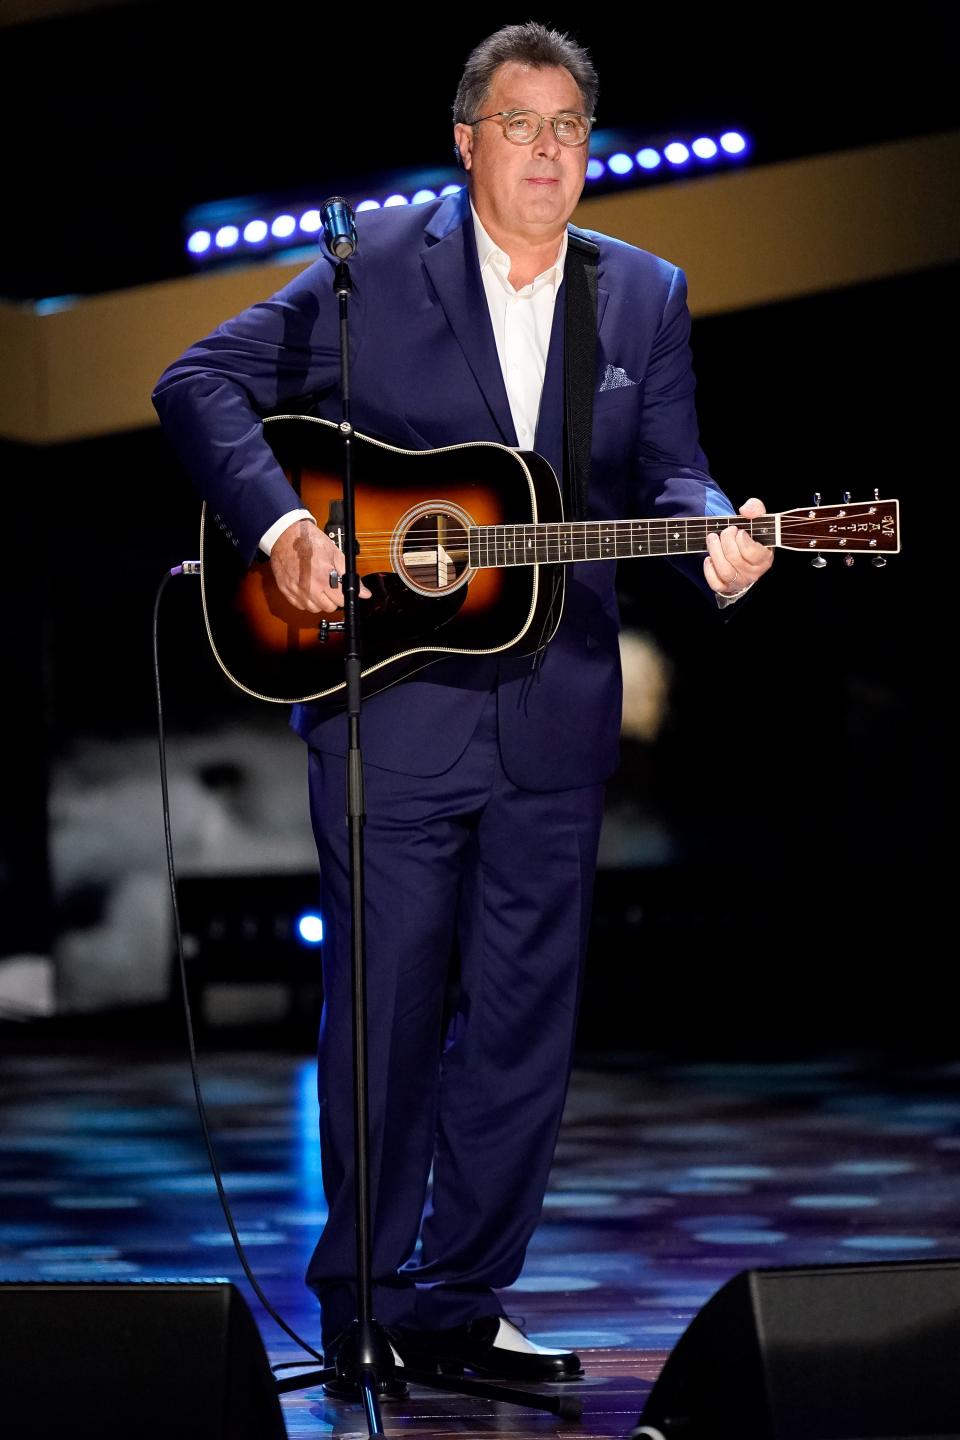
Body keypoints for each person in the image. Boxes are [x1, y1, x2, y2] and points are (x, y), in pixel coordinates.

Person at [153, 21, 773, 1390]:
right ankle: (363, 1299)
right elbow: (195, 385)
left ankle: (459, 1302)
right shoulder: (374, 269)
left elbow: (675, 473)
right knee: (380, 1014)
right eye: (522, 124)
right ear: (466, 142)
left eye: (571, 129)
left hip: (556, 721)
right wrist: (277, 533)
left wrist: (720, 532)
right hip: (394, 712)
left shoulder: (648, 295)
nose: (550, 151)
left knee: (520, 1027)